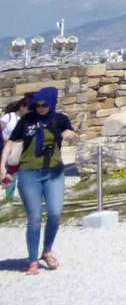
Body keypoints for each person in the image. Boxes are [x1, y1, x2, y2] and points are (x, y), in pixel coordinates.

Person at [1, 86, 75, 275]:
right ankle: (33, 260)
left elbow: (72, 135)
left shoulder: (60, 119)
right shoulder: (27, 120)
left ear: (51, 103)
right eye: (38, 105)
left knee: (55, 213)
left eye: (44, 105)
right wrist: (2, 167)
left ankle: (47, 250)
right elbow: (10, 142)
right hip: (29, 173)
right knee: (34, 218)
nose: (40, 108)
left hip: (54, 172)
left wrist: (69, 135)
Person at [0, 93, 27, 203]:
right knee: (10, 175)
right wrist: (6, 140)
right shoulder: (9, 117)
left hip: (23, 151)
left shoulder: (28, 119)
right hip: (9, 151)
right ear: (22, 107)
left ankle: (25, 200)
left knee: (24, 176)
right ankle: (9, 201)